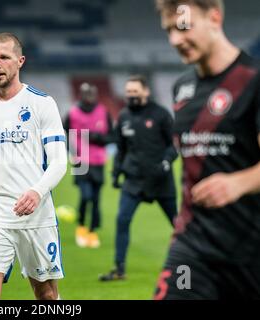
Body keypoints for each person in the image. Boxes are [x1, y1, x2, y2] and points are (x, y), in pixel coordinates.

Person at [154, 0, 260, 299]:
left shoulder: (253, 81)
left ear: (214, 17)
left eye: (184, 27)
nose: (176, 39)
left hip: (249, 249)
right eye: (169, 30)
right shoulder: (182, 90)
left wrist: (237, 183)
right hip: (193, 248)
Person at [0, 33, 67, 300]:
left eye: (4, 57)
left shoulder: (41, 104)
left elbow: (59, 161)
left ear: (20, 61)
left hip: (35, 215)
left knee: (46, 295)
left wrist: (37, 191)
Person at [99, 75, 178, 281]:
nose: (131, 96)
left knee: (179, 225)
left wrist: (167, 161)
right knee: (122, 220)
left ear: (146, 91)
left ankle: (198, 264)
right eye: (128, 92)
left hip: (161, 180)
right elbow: (121, 149)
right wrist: (116, 173)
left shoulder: (161, 115)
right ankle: (119, 269)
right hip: (133, 180)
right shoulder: (124, 116)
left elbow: (174, 145)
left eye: (135, 91)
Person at [63, 83, 113, 248]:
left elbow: (112, 136)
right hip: (80, 160)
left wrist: (98, 137)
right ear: (81, 95)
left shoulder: (103, 112)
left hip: (98, 160)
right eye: (86, 94)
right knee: (86, 196)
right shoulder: (72, 113)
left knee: (96, 199)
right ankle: (82, 226)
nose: (89, 97)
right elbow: (64, 131)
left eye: (91, 93)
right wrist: (71, 148)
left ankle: (92, 231)